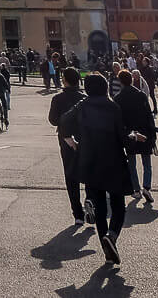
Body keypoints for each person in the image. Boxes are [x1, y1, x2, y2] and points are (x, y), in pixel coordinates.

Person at [61, 73, 133, 265]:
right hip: (114, 161)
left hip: (90, 161)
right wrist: (133, 137)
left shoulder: (83, 105)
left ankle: (107, 249)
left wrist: (71, 140)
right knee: (118, 205)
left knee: (100, 208)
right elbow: (123, 138)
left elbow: (64, 120)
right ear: (105, 87)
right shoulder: (113, 107)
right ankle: (112, 235)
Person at [49, 67, 86, 223]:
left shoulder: (58, 99)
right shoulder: (84, 98)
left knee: (70, 175)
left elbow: (52, 119)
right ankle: (90, 201)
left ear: (64, 80)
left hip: (65, 139)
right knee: (88, 171)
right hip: (84, 139)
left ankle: (77, 213)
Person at [116, 69, 157, 203]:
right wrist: (153, 135)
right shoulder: (141, 95)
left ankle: (136, 189)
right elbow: (148, 116)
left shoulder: (118, 99)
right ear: (132, 80)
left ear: (120, 82)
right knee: (147, 163)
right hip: (144, 132)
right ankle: (147, 187)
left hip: (130, 134)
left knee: (131, 164)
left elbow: (119, 121)